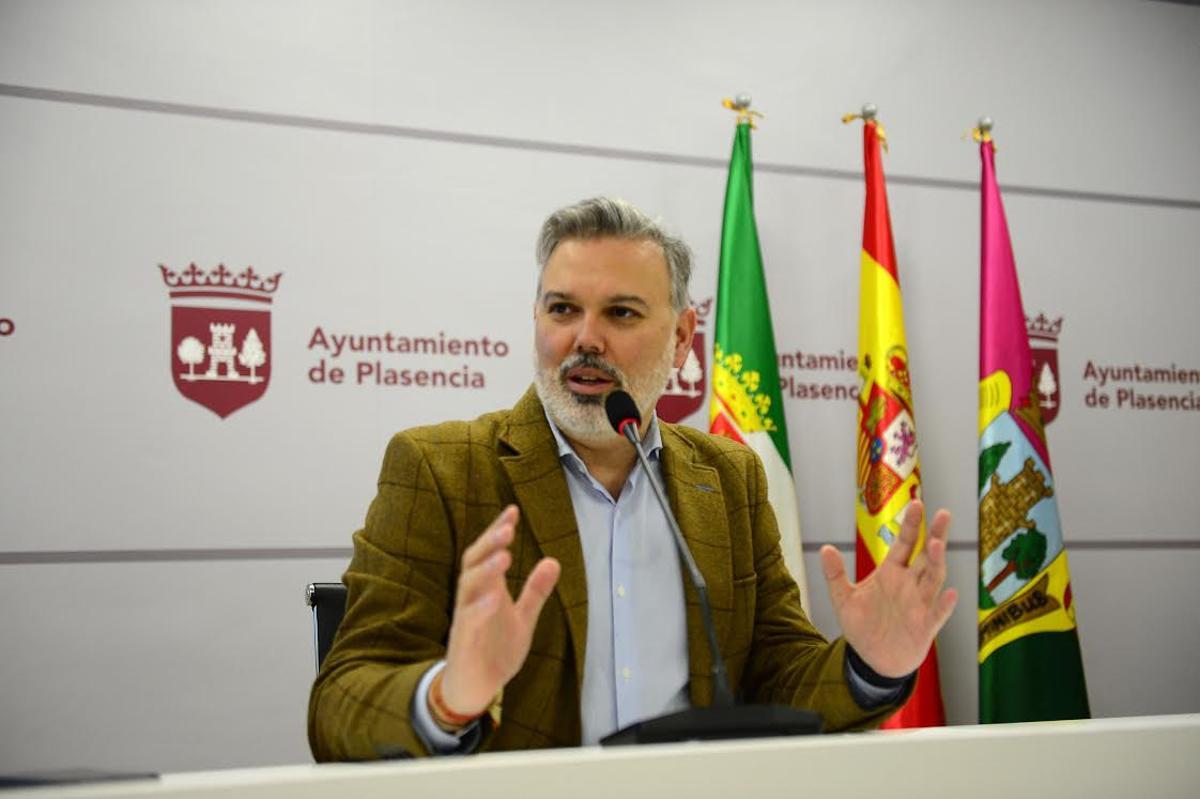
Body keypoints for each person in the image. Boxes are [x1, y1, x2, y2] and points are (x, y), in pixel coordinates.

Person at [308, 197, 958, 760]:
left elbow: (775, 676)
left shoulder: (728, 478)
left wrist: (871, 663)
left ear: (681, 338)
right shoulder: (441, 468)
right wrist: (449, 697)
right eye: (562, 309)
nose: (584, 339)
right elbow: (340, 700)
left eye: (620, 313)